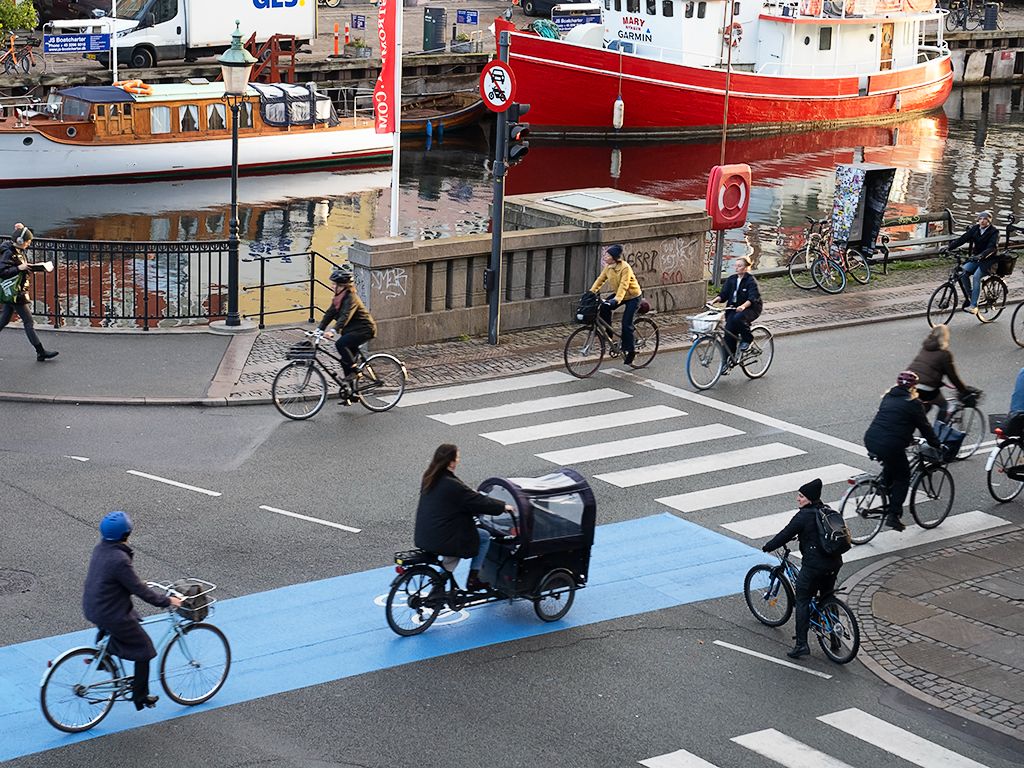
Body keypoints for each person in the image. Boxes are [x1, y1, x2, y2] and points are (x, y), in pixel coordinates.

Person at [82, 511, 182, 711]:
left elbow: (113, 579)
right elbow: (142, 592)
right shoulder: (120, 559)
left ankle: (104, 657)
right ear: (126, 534)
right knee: (144, 650)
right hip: (111, 612)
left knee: (126, 628)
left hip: (94, 606)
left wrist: (132, 582)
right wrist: (167, 601)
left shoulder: (101, 549)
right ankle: (140, 696)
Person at [761, 478, 843, 660]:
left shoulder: (803, 516)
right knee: (828, 595)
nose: (798, 499)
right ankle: (835, 638)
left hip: (814, 566)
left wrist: (768, 546)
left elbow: (785, 534)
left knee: (803, 598)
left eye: (801, 496)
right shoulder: (827, 511)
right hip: (834, 563)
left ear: (809, 499)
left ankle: (801, 644)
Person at [414, 444, 511, 592]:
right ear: (451, 462)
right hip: (443, 536)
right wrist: (503, 506)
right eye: (457, 457)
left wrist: (468, 494)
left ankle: (439, 583)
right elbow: (478, 502)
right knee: (483, 537)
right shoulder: (452, 485)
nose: (458, 460)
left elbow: (455, 497)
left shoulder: (430, 477)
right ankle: (473, 579)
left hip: (426, 533)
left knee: (458, 543)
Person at [863, 371, 942, 532]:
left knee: (891, 462)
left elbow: (893, 421)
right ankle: (894, 515)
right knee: (903, 477)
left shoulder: (888, 397)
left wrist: (906, 438)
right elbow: (925, 427)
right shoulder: (914, 403)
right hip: (890, 443)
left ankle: (884, 485)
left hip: (871, 438)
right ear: (913, 387)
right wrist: (936, 444)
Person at [318, 262, 377, 405]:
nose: (333, 286)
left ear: (342, 286)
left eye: (335, 284)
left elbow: (345, 316)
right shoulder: (338, 298)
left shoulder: (351, 298)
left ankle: (355, 371)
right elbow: (330, 313)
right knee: (345, 361)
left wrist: (333, 331)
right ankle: (351, 394)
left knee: (340, 344)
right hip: (352, 330)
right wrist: (319, 329)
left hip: (365, 329)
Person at [0, 224, 58, 361]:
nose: (29, 244)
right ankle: (41, 351)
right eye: (28, 241)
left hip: (14, 292)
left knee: (3, 320)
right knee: (29, 322)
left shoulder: (16, 249)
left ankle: (41, 352)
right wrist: (20, 268)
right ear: (20, 241)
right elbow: (2, 272)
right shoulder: (9, 252)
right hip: (15, 293)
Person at [906, 324, 975, 424]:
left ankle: (915, 427)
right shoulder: (944, 354)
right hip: (926, 388)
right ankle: (937, 433)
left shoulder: (925, 348)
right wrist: (964, 391)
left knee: (926, 406)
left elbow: (926, 369)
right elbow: (953, 377)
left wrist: (938, 382)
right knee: (944, 406)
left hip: (912, 382)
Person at [590, 244, 643, 365]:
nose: (605, 257)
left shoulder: (625, 268)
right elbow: (600, 279)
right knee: (604, 307)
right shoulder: (609, 267)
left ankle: (631, 351)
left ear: (614, 257)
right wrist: (591, 292)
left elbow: (624, 285)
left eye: (607, 255)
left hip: (632, 296)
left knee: (626, 323)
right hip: (619, 295)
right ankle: (609, 333)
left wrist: (616, 299)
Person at [947, 210, 999, 315]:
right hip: (976, 258)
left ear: (989, 221)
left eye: (985, 219)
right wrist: (949, 247)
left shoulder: (994, 232)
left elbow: (992, 248)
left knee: (976, 276)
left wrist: (981, 255)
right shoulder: (975, 229)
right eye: (980, 219)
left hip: (989, 261)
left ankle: (974, 306)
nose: (982, 221)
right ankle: (972, 296)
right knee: (963, 273)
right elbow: (963, 239)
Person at [710, 256, 762, 360]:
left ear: (745, 268)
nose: (737, 268)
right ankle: (728, 360)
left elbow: (752, 298)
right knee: (728, 332)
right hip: (733, 308)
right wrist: (714, 300)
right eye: (736, 265)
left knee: (738, 318)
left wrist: (743, 306)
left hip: (751, 308)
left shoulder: (750, 281)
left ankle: (747, 340)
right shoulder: (732, 279)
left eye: (740, 266)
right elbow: (724, 294)